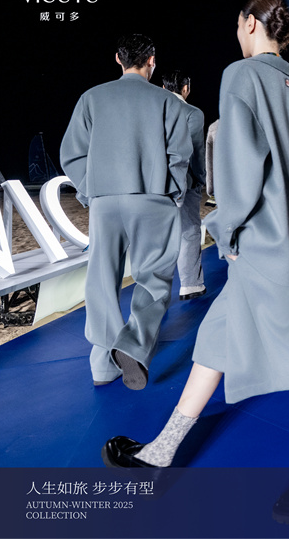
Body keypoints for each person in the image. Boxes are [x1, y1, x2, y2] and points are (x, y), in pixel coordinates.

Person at [101, 0, 289, 522]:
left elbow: (242, 168)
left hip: (258, 242)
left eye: (238, 24)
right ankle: (162, 452)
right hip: (287, 239)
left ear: (250, 23)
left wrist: (225, 227)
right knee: (216, 340)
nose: (236, 32)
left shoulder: (242, 75)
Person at [60, 34, 192, 389]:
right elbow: (179, 156)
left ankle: (103, 367)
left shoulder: (91, 98)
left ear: (118, 59)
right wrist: (172, 193)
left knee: (101, 278)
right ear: (152, 61)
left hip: (105, 201)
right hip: (153, 198)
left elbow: (71, 154)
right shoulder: (167, 102)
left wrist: (91, 191)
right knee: (154, 278)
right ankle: (132, 345)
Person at [161, 70, 208, 300]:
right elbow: (195, 150)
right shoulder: (192, 113)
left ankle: (156, 290)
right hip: (183, 182)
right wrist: (200, 178)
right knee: (188, 231)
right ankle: (190, 285)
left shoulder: (153, 110)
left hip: (152, 183)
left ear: (163, 88)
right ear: (186, 88)